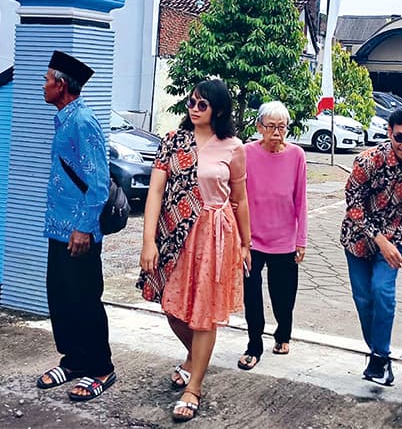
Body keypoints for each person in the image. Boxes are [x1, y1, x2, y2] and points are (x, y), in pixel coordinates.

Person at [138, 79, 251, 422]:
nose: (194, 108)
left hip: (216, 235)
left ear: (218, 109)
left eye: (202, 104)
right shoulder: (173, 142)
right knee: (172, 307)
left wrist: (246, 243)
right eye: (191, 102)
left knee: (204, 313)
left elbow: (240, 199)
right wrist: (148, 240)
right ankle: (195, 357)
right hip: (174, 235)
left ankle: (194, 387)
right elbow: (155, 192)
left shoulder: (232, 147)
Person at [340, 104, 402, 384]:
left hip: (395, 236)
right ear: (389, 132)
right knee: (363, 300)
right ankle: (377, 354)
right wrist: (379, 239)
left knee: (382, 292)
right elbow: (354, 206)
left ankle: (380, 358)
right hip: (358, 238)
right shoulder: (367, 161)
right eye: (400, 137)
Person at [35, 51, 116, 402]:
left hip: (78, 232)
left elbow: (98, 182)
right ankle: (73, 360)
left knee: (84, 300)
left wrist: (84, 227)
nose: (43, 85)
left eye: (47, 80)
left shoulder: (83, 121)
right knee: (61, 297)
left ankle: (100, 367)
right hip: (58, 228)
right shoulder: (64, 118)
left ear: (62, 85)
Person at [237, 101, 307, 371]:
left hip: (284, 239)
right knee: (251, 295)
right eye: (271, 126)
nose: (277, 132)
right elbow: (238, 196)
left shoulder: (297, 155)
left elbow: (301, 200)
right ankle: (254, 344)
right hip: (252, 239)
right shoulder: (246, 152)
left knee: (284, 295)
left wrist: (301, 240)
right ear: (259, 127)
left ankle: (283, 334)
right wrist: (241, 240)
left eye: (282, 127)